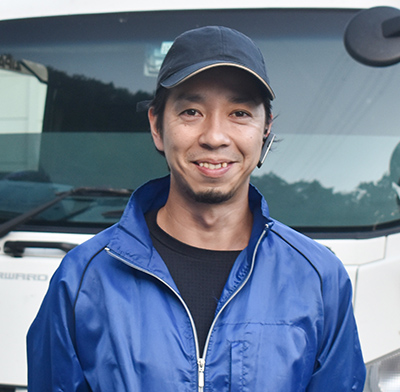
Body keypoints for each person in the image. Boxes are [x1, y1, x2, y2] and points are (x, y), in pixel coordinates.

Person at [27, 26, 366, 391]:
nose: (214, 137)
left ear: (265, 128)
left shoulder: (318, 278)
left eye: (239, 113)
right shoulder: (83, 278)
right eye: (191, 111)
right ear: (157, 126)